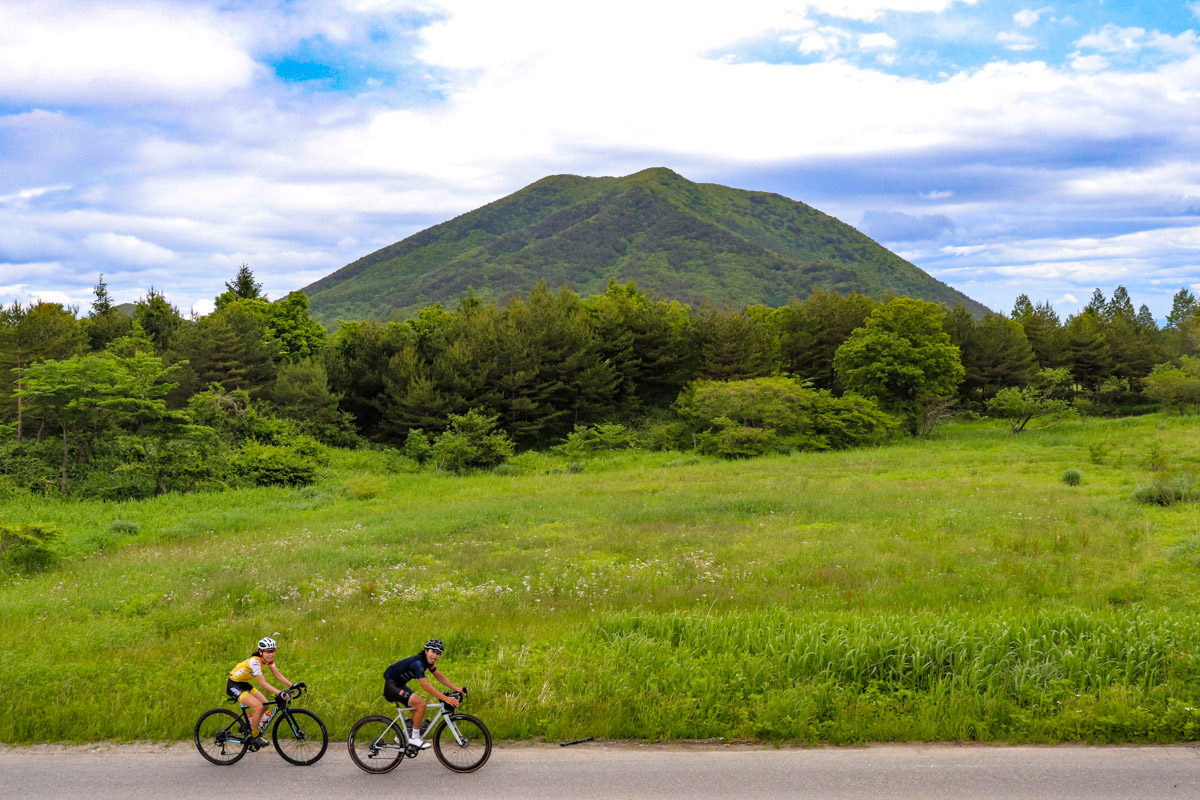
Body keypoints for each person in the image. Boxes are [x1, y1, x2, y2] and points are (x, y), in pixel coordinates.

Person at [382, 638, 466, 749]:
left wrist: (457, 688)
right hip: (391, 686)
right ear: (426, 651)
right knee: (421, 704)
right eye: (433, 652)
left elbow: (438, 676)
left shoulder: (427, 662)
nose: (435, 656)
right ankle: (414, 738)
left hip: (399, 685)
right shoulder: (418, 664)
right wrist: (446, 698)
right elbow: (425, 686)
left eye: (438, 653)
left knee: (417, 711)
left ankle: (401, 736)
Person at [227, 636, 293, 748]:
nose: (271, 654)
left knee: (265, 705)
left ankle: (248, 726)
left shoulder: (268, 660)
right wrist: (280, 693)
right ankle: (254, 736)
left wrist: (292, 685)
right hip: (234, 684)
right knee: (258, 706)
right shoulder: (255, 662)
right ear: (260, 652)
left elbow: (277, 675)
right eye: (268, 651)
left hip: (244, 683)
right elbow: (263, 684)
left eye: (273, 651)